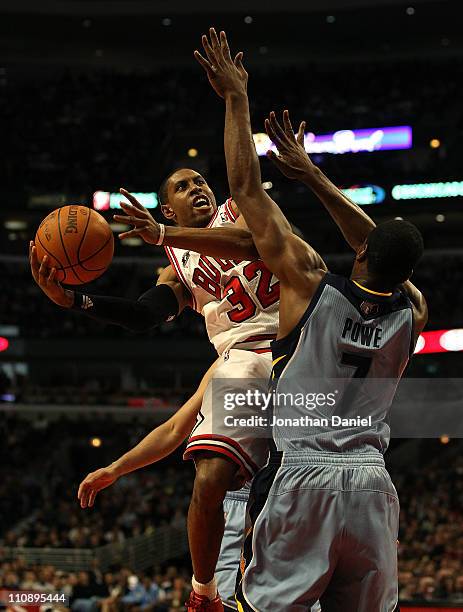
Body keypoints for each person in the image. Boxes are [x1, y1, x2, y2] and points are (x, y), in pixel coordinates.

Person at [195, 28, 428, 611]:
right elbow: (378, 251)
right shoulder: (413, 313)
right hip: (372, 484)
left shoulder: (308, 285)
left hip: (303, 476)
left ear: (363, 252)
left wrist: (236, 99)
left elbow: (245, 188)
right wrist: (317, 178)